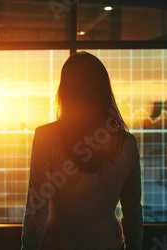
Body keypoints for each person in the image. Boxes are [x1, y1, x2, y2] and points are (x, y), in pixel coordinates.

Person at [21, 52, 143, 250]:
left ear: (65, 91)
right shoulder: (126, 143)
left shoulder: (46, 137)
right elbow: (133, 213)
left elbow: (36, 211)